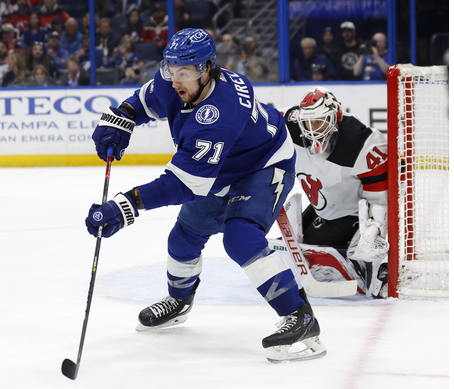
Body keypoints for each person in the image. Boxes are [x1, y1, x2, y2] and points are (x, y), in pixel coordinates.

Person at [84, 28, 324, 363]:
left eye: (185, 72)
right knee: (183, 237)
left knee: (240, 237)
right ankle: (180, 302)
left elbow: (181, 185)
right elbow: (145, 100)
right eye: (171, 70)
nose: (176, 80)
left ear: (207, 68)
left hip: (265, 165)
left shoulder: (219, 115)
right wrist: (122, 116)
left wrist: (126, 205)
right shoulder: (176, 81)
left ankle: (301, 317)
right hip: (222, 167)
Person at [281, 87, 389, 297]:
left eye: (319, 121)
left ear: (335, 117)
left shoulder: (362, 142)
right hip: (322, 206)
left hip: (351, 214)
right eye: (308, 122)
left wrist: (373, 229)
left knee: (306, 250)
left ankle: (362, 256)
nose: (312, 129)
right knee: (291, 246)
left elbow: (379, 195)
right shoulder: (291, 124)